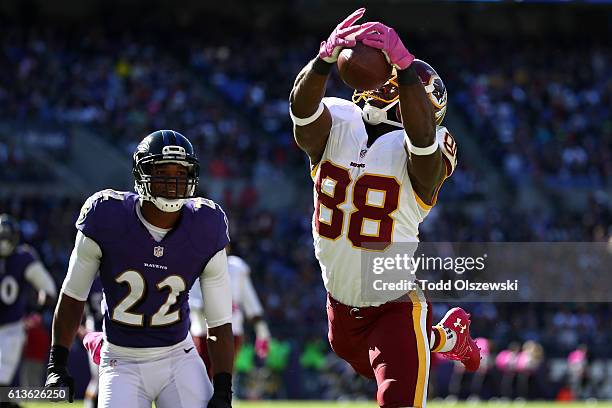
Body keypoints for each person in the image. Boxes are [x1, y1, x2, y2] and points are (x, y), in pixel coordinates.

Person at [290, 8, 480, 407]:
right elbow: (301, 112)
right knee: (373, 355)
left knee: (396, 396)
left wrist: (407, 68)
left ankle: (438, 336)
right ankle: (447, 337)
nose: (383, 85)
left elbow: (424, 143)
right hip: (338, 308)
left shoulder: (431, 149)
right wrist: (323, 60)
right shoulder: (340, 119)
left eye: (394, 82)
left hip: (394, 306)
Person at [44, 130, 234, 408]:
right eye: (163, 172)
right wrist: (56, 364)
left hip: (178, 356)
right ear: (141, 174)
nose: (172, 182)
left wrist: (224, 391)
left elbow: (218, 322)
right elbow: (73, 295)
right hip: (121, 359)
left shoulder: (207, 224)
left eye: (180, 173)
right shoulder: (105, 216)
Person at [189, 253, 271, 377]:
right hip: (204, 330)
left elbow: (249, 298)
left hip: (231, 329)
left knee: (223, 375)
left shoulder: (237, 268)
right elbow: (187, 299)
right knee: (203, 375)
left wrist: (261, 328)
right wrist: (209, 307)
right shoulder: (196, 265)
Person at [0, 214, 57, 392]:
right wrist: (37, 310)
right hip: (12, 328)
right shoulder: (24, 257)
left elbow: (48, 291)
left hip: (12, 326)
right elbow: (48, 291)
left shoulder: (23, 258)